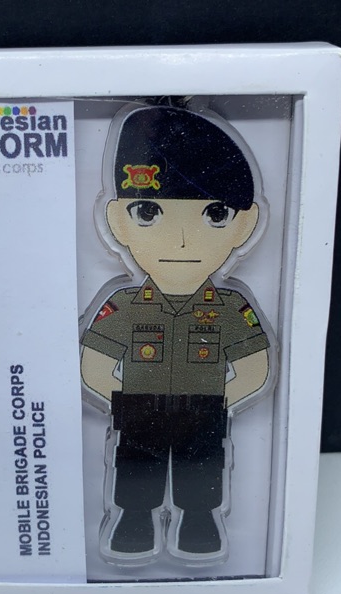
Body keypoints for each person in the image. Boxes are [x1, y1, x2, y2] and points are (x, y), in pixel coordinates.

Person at [81, 105, 273, 563]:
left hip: (203, 408)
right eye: (149, 212)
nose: (183, 241)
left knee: (201, 472)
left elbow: (255, 367)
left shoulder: (231, 308)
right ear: (118, 220)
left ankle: (200, 524)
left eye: (214, 214)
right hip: (139, 407)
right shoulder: (124, 306)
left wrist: (214, 401)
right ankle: (132, 522)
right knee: (135, 468)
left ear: (244, 224)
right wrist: (127, 402)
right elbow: (93, 366)